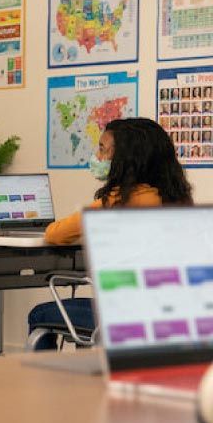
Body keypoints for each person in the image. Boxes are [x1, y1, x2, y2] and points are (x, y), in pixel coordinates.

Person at [28, 118, 193, 351]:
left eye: (103, 149)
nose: (97, 155)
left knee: (40, 314)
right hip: (174, 316)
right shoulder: (179, 202)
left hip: (126, 316)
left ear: (125, 158)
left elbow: (55, 234)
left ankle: (42, 386)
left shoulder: (119, 201)